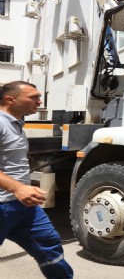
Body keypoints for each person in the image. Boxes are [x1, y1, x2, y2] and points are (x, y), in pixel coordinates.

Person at [0, 81, 74, 278]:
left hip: (24, 206)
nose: (40, 102)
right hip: (3, 205)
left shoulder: (15, 124)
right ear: (10, 100)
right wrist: (17, 188)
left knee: (49, 244)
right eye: (34, 97)